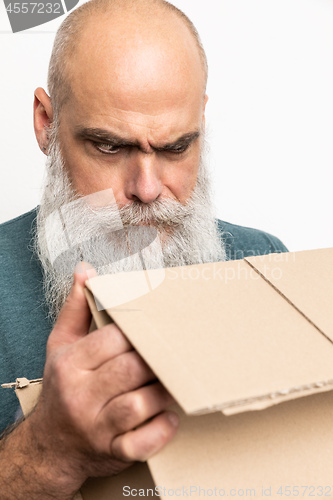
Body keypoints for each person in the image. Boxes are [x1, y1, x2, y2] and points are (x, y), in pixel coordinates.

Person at [0, 0, 287, 497]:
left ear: (201, 119)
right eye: (110, 147)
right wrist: (48, 449)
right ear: (46, 123)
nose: (148, 189)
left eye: (177, 147)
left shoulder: (265, 264)